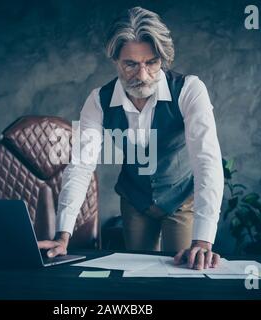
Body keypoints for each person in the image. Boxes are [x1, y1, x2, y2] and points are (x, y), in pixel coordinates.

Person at [38, 6, 224, 270]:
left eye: (151, 63)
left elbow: (207, 161)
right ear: (115, 60)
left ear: (163, 58)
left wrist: (204, 241)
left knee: (186, 270)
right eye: (130, 64)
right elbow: (80, 165)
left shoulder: (190, 90)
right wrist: (62, 235)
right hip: (135, 199)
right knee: (138, 273)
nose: (143, 75)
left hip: (181, 197)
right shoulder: (98, 101)